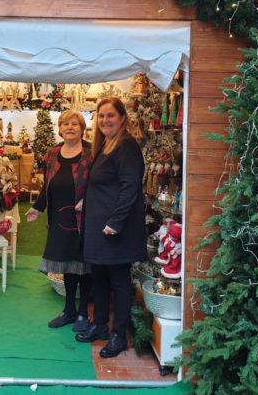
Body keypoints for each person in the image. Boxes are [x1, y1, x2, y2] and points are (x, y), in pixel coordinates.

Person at [75, 97, 146, 359]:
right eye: (101, 116)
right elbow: (104, 183)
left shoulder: (126, 146)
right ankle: (101, 325)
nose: (105, 120)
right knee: (100, 278)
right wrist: (86, 200)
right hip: (98, 226)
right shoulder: (106, 145)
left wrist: (115, 222)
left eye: (110, 116)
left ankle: (119, 335)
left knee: (119, 281)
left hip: (115, 229)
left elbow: (130, 187)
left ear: (122, 118)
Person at [26, 110, 94, 332]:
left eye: (75, 123)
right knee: (66, 264)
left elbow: (99, 185)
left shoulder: (91, 152)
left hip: (84, 219)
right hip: (59, 219)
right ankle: (69, 311)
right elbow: (47, 185)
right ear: (60, 128)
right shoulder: (53, 153)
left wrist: (89, 201)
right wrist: (38, 207)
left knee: (83, 265)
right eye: (66, 124)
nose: (70, 127)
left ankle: (83, 312)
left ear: (82, 128)